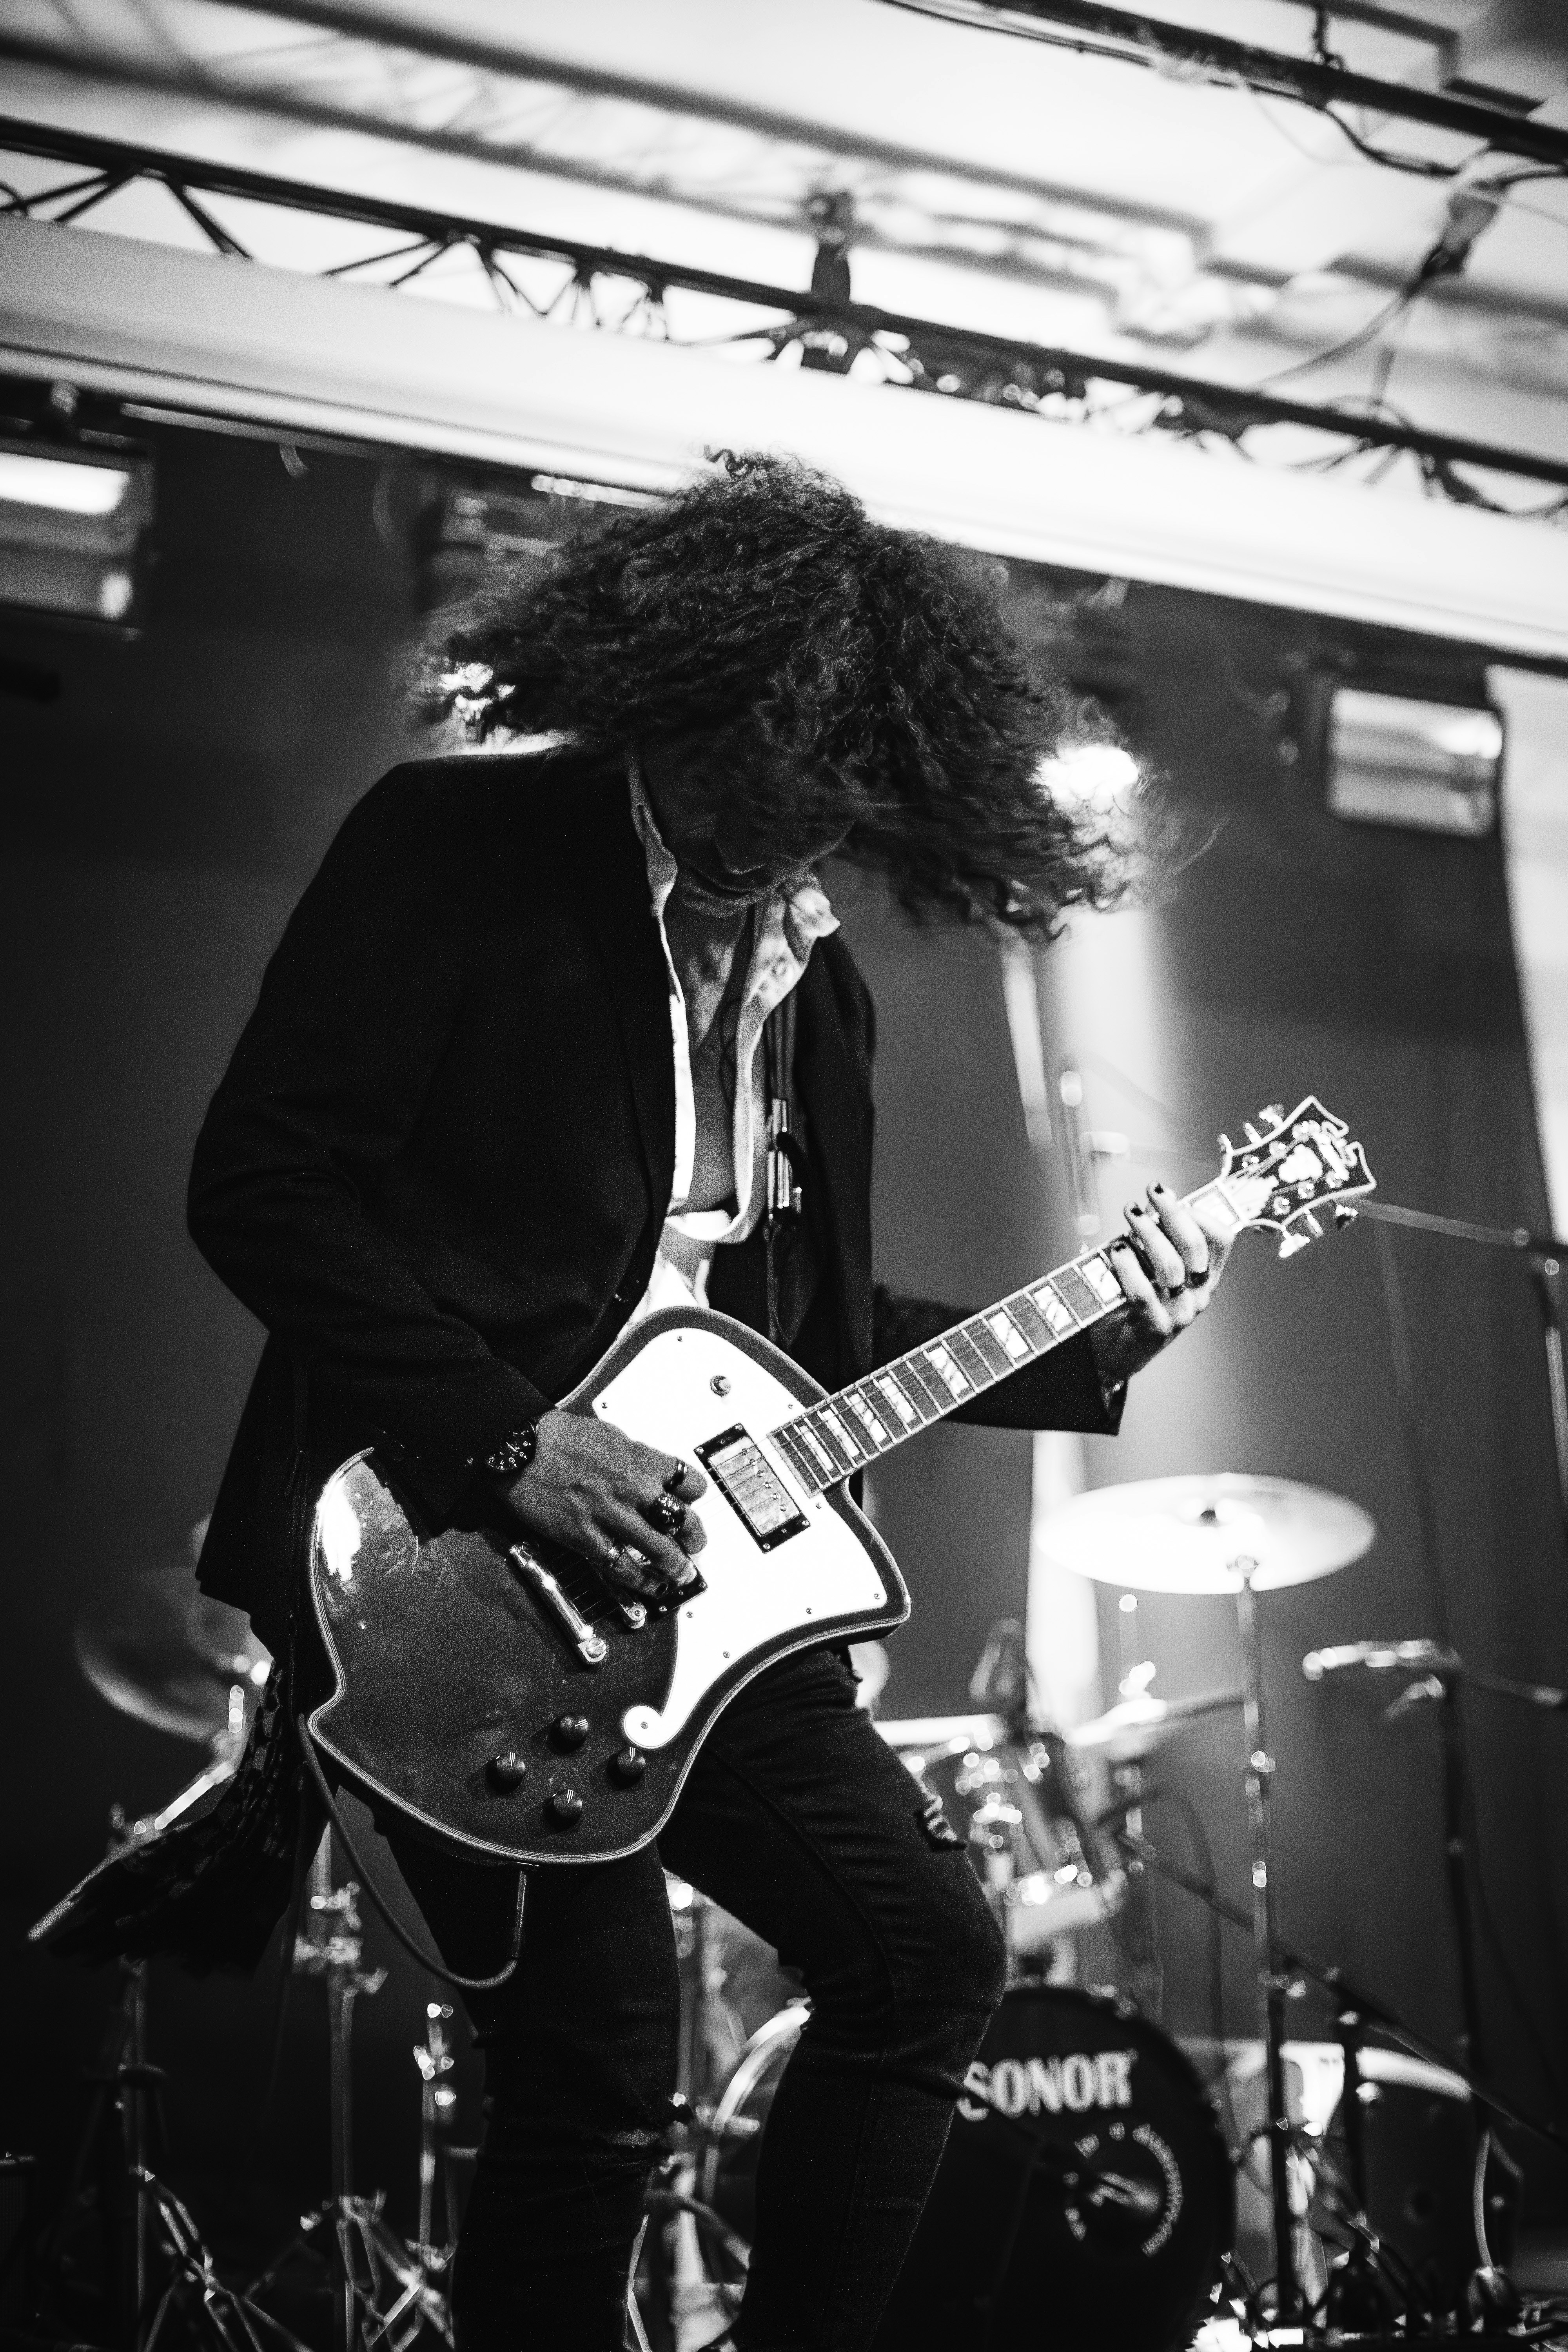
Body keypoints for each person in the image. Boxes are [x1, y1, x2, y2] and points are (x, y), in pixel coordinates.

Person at [188, 454, 1233, 2352]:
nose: (791, 824)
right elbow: (262, 1182)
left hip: (688, 1575)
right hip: (435, 1559)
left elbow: (811, 1332)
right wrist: (511, 1442)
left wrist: (1098, 1333)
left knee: (925, 1954)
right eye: (766, 765)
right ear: (688, 688)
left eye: (843, 794)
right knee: (592, 2077)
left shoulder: (818, 992)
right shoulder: (460, 850)